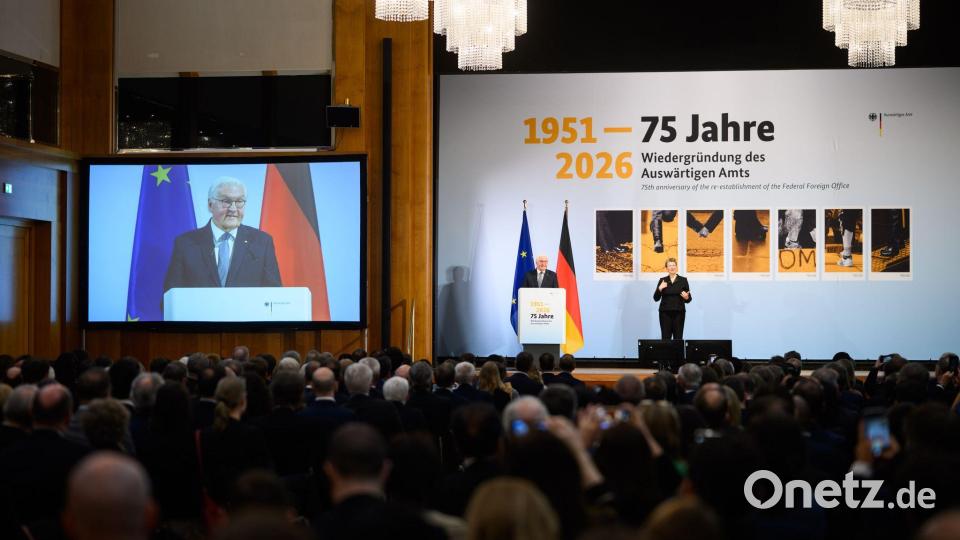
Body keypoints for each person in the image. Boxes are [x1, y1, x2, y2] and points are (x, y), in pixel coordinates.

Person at [164, 178, 282, 292]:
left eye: (239, 201)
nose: (233, 209)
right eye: (226, 201)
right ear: (210, 205)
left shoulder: (262, 242)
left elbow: (274, 296)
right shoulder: (185, 243)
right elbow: (170, 299)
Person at [653, 258, 691, 340]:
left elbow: (688, 299)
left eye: (674, 265)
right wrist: (659, 288)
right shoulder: (662, 280)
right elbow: (656, 298)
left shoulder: (683, 280)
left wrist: (686, 297)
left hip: (679, 313)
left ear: (676, 267)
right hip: (665, 314)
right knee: (665, 338)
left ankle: (677, 353)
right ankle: (666, 353)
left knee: (678, 338)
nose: (672, 267)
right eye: (670, 265)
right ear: (666, 268)